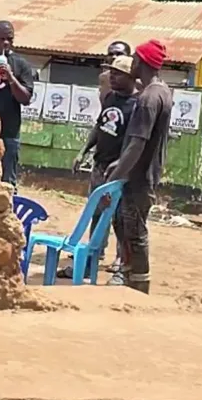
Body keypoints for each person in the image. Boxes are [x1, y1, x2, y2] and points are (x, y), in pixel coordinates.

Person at [59, 55, 139, 279]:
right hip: (100, 165)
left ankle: (123, 266)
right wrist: (83, 151)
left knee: (119, 219)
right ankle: (90, 262)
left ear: (131, 77)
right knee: (96, 214)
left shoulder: (138, 105)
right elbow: (100, 126)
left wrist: (120, 166)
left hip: (119, 172)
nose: (111, 77)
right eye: (111, 72)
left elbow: (136, 142)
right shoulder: (110, 97)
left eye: (117, 74)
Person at [105, 39, 172, 294]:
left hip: (138, 175)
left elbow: (137, 144)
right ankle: (133, 278)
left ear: (140, 62)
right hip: (146, 171)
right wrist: (120, 162)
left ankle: (139, 284)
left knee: (134, 230)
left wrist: (115, 176)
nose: (130, 63)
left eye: (133, 59)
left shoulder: (147, 98)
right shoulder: (163, 91)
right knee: (129, 226)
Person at [0, 20, 36, 190]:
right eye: (1, 38)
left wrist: (10, 77)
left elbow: (25, 98)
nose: (6, 43)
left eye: (10, 39)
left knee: (6, 183)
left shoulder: (21, 64)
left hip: (9, 131)